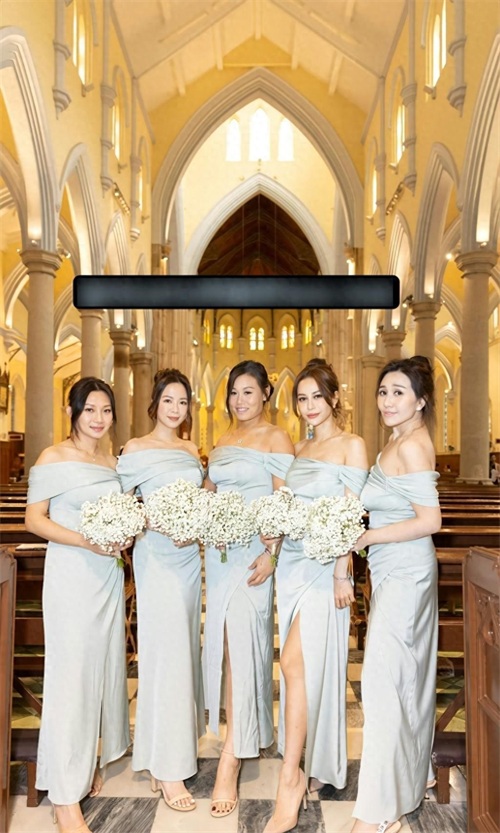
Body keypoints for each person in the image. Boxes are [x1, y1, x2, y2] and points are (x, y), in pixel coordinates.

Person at [264, 358, 368, 833]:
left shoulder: (352, 445)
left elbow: (352, 514)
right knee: (306, 669)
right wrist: (273, 536)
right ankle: (313, 763)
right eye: (301, 399)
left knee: (292, 663)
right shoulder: (300, 450)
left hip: (326, 570)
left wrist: (344, 573)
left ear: (334, 398)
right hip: (292, 566)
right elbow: (287, 508)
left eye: (316, 397)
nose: (309, 406)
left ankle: (290, 776)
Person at [25, 378, 130, 833]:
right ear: (72, 411)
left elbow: (123, 516)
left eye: (106, 410)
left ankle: (82, 763)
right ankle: (64, 799)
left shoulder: (111, 462)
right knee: (69, 680)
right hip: (71, 575)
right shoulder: (53, 457)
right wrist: (85, 541)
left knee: (97, 677)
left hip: (107, 577)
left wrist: (123, 535)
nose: (98, 418)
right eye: (90, 409)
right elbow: (35, 519)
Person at [350, 356, 442, 833]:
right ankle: (412, 775)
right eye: (383, 391)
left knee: (382, 685)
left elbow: (431, 521)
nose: (387, 400)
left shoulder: (413, 446)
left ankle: (379, 811)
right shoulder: (396, 440)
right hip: (391, 570)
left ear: (420, 401)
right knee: (402, 680)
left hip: (407, 573)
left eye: (399, 392)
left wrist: (367, 537)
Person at [203, 360, 294, 818]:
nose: (240, 400)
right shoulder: (221, 440)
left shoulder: (277, 438)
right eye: (234, 392)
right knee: (226, 649)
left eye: (249, 392)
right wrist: (207, 521)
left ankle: (230, 759)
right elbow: (208, 492)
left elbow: (283, 501)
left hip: (254, 558)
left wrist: (271, 555)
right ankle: (240, 734)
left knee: (244, 648)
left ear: (265, 394)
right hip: (220, 558)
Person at [117, 368, 205, 812]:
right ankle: (170, 769)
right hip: (155, 558)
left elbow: (203, 499)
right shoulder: (135, 449)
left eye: (183, 401)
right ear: (155, 404)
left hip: (188, 560)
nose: (176, 408)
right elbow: (119, 505)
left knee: (179, 653)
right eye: (168, 400)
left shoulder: (191, 450)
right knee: (165, 654)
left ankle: (156, 752)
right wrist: (151, 519)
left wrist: (197, 520)